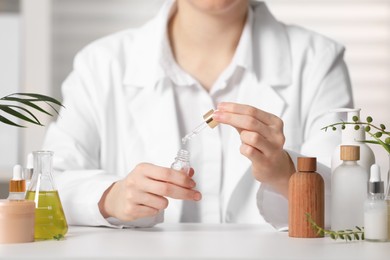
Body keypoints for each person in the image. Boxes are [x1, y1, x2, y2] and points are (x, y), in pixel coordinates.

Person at [43, 0, 353, 229]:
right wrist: (111, 196)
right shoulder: (101, 64)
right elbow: (50, 181)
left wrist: (284, 173)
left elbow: (350, 206)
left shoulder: (317, 61)